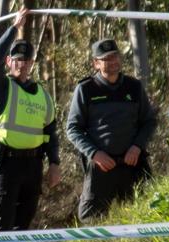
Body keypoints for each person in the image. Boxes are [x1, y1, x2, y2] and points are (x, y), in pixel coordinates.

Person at [0, 7, 61, 242]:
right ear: (10, 62)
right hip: (5, 164)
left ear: (31, 63)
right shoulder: (1, 87)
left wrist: (54, 163)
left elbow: (50, 131)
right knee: (1, 222)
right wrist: (14, 28)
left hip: (32, 166)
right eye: (17, 60)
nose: (22, 64)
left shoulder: (42, 95)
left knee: (23, 221)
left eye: (26, 61)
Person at [66, 38, 156, 223]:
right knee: (91, 221)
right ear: (96, 63)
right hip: (101, 166)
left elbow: (149, 121)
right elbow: (73, 129)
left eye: (115, 56)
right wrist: (94, 153)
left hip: (132, 164)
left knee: (143, 215)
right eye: (106, 58)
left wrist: (137, 147)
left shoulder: (134, 86)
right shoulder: (85, 89)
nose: (113, 62)